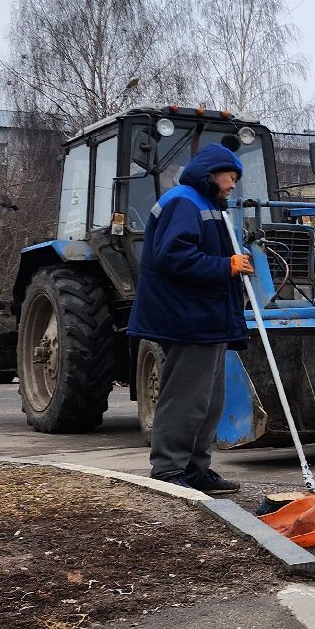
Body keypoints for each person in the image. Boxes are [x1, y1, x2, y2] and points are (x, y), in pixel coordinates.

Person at [127, 143, 252, 495]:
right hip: (187, 318)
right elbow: (174, 255)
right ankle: (168, 469)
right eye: (231, 176)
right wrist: (226, 265)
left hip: (207, 319)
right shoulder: (184, 201)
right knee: (185, 398)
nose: (233, 184)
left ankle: (197, 469)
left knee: (209, 401)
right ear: (212, 173)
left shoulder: (209, 205)